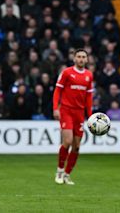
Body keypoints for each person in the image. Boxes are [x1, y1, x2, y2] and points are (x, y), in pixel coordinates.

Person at [53, 48, 93, 185]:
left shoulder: (89, 75)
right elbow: (57, 90)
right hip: (66, 110)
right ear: (74, 58)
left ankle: (67, 174)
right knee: (68, 141)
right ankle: (59, 170)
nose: (81, 59)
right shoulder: (67, 73)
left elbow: (89, 97)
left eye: (83, 57)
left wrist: (90, 116)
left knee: (76, 146)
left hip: (79, 113)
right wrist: (55, 108)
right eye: (79, 56)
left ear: (87, 59)